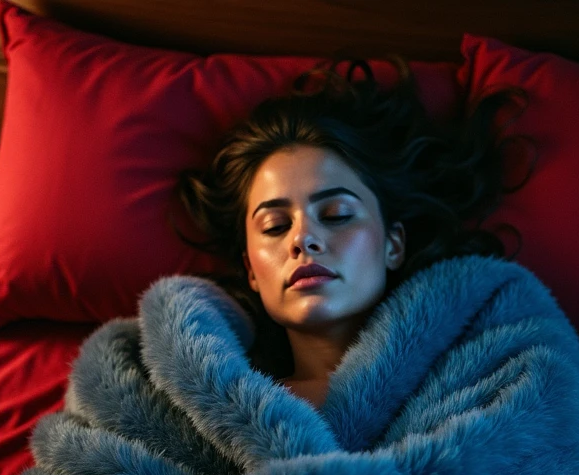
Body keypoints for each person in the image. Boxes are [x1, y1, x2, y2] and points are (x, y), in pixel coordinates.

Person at [171, 55, 536, 408]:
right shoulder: (203, 403)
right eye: (276, 226)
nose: (302, 239)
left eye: (336, 215)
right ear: (250, 268)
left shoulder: (489, 376)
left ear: (394, 244)